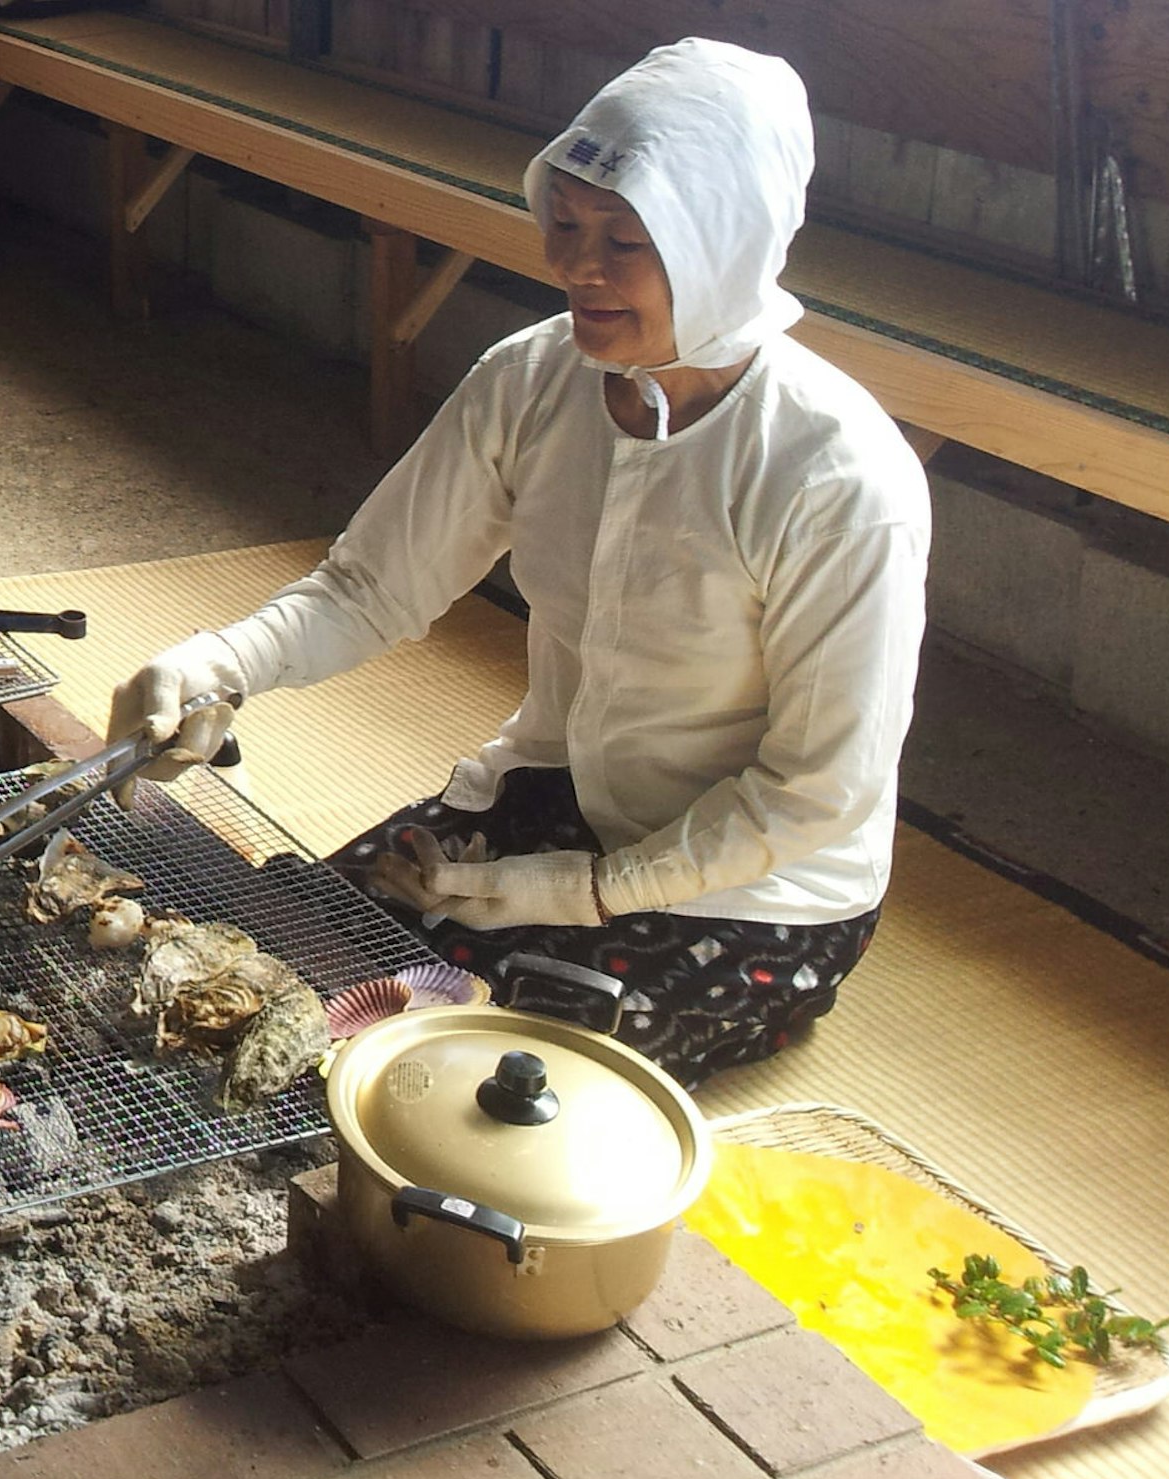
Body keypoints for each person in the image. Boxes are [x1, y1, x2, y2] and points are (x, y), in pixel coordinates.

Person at [105, 37, 931, 1089]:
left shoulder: (837, 475)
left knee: (464, 1078)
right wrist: (215, 663)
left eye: (623, 241)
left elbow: (815, 793)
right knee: (277, 971)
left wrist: (580, 889)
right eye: (566, 225)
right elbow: (370, 584)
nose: (575, 265)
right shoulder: (534, 379)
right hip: (561, 791)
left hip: (756, 886)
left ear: (718, 242)